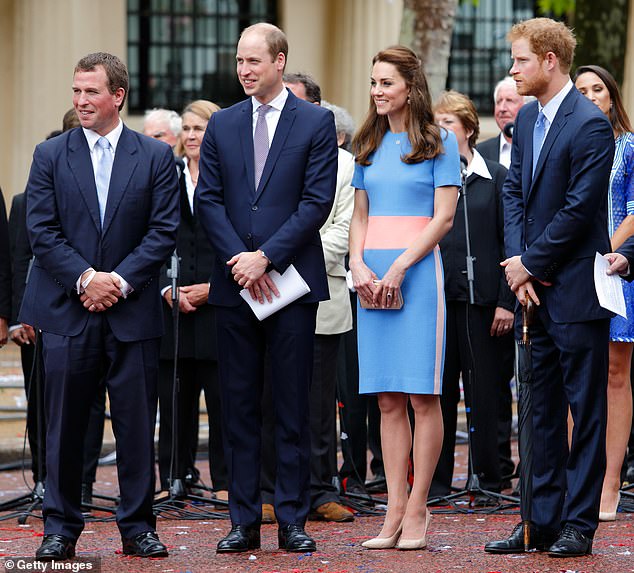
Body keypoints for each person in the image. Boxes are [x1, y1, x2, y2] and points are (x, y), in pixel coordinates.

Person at [19, 52, 179, 561]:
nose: (81, 101)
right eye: (76, 91)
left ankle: (138, 529)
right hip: (69, 312)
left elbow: (164, 231)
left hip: (132, 315)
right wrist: (87, 279)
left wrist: (121, 282)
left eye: (91, 92)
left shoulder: (154, 157)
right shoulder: (50, 155)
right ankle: (61, 529)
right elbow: (41, 231)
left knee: (136, 427)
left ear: (118, 97)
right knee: (64, 427)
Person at [195, 23, 338, 553]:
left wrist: (267, 258)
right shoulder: (223, 124)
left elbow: (316, 201)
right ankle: (243, 520)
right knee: (238, 407)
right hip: (235, 286)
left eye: (254, 61)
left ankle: (293, 519)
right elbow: (207, 199)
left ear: (280, 61)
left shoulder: (315, 122)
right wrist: (241, 261)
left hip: (290, 287)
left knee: (291, 406)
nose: (244, 70)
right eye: (239, 61)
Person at [485, 18, 615, 557]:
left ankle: (578, 526)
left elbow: (580, 210)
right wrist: (518, 262)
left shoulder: (589, 125)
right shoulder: (531, 115)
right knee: (537, 412)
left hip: (576, 292)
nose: (512, 69)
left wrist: (530, 264)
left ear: (548, 61)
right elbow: (513, 192)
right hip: (531, 289)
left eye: (519, 60)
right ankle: (537, 522)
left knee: (585, 413)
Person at [349, 45, 460, 550]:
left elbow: (444, 219)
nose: (377, 92)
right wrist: (358, 265)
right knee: (387, 398)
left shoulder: (440, 142)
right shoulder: (366, 141)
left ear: (410, 88)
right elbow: (360, 215)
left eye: (386, 83)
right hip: (371, 279)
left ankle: (419, 508)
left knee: (422, 395)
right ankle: (393, 509)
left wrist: (398, 266)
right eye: (373, 82)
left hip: (416, 277)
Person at [258, 73, 354, 524]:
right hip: (264, 292)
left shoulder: (346, 165)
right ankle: (269, 490)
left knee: (316, 404)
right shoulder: (260, 154)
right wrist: (265, 261)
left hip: (320, 293)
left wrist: (284, 258)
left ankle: (319, 489)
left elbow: (343, 230)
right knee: (268, 398)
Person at [431, 90, 513, 499]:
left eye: (447, 123)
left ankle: (490, 479)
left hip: (485, 304)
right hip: (439, 304)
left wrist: (505, 300)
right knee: (438, 394)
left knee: (487, 392)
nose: (440, 131)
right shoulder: (428, 175)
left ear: (466, 129)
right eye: (436, 124)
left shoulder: (496, 176)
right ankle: (437, 480)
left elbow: (508, 241)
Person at [157, 99, 228, 500]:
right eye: (186, 128)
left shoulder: (231, 178)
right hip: (172, 304)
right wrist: (169, 290)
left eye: (199, 128)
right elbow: (152, 234)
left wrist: (212, 290)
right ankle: (173, 478)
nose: (190, 135)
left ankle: (224, 482)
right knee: (174, 403)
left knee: (222, 403)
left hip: (218, 304)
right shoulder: (168, 174)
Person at [573, 64, 634, 521]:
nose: (591, 96)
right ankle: (580, 479)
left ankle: (610, 481)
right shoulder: (568, 140)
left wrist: (601, 253)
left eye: (598, 90)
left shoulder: (629, 147)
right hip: (572, 269)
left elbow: (633, 212)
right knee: (576, 371)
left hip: (613, 266)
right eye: (582, 90)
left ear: (612, 98)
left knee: (615, 371)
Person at [477, 77, 530, 168]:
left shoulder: (538, 147)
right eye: (498, 102)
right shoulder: (479, 152)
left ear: (527, 106)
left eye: (509, 101)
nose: (502, 108)